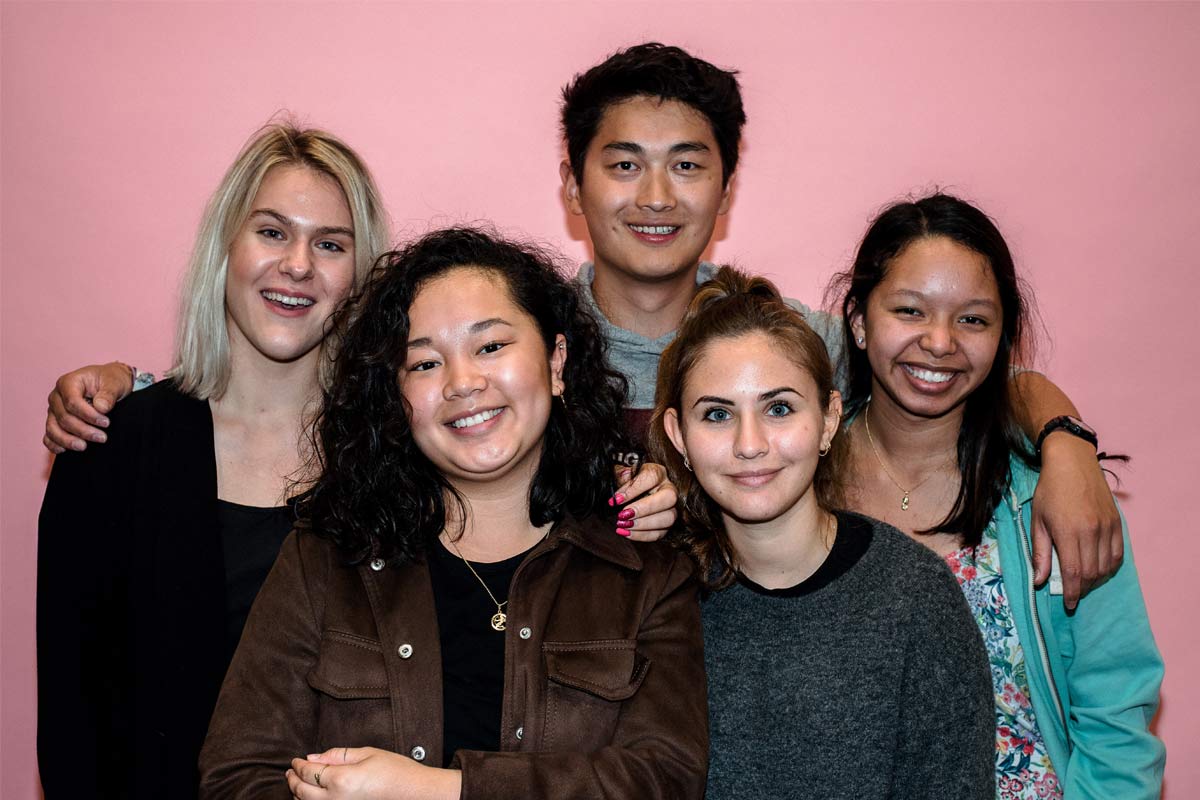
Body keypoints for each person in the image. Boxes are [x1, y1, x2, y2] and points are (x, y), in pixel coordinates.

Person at [46, 42, 1121, 600]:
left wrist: (1063, 438)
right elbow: (325, 385)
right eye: (622, 163)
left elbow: (939, 366)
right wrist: (132, 387)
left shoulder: (781, 341)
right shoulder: (515, 343)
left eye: (687, 164)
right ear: (574, 186)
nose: (655, 194)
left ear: (726, 185)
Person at [198, 228, 707, 799]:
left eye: (490, 347)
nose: (463, 383)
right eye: (424, 364)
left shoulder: (645, 568)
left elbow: (665, 780)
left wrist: (435, 791)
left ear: (556, 361)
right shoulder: (323, 561)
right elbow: (235, 778)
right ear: (394, 396)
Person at [36, 123, 391, 798]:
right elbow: (74, 722)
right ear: (225, 245)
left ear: (361, 272)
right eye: (272, 231)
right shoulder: (110, 450)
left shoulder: (396, 459)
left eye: (331, 244)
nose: (297, 265)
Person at [834, 193, 1164, 798]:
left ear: (1003, 335)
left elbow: (1117, 712)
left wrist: (1066, 444)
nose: (939, 342)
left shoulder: (1051, 497)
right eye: (909, 310)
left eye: (973, 319)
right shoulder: (797, 483)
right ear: (858, 321)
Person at [647, 265, 995, 799]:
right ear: (679, 436)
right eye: (717, 415)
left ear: (829, 419)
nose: (750, 444)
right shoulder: (658, 597)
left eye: (779, 408)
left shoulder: (916, 600)